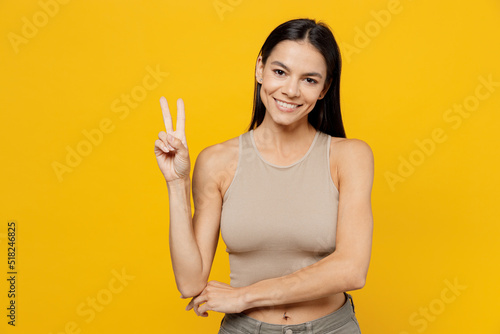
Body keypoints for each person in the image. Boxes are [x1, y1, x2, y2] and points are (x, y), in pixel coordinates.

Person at [154, 18, 374, 334]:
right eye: (280, 72)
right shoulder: (217, 161)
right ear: (260, 69)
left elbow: (352, 270)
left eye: (309, 80)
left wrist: (245, 296)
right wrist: (176, 183)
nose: (291, 90)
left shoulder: (350, 157)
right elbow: (190, 283)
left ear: (324, 88)